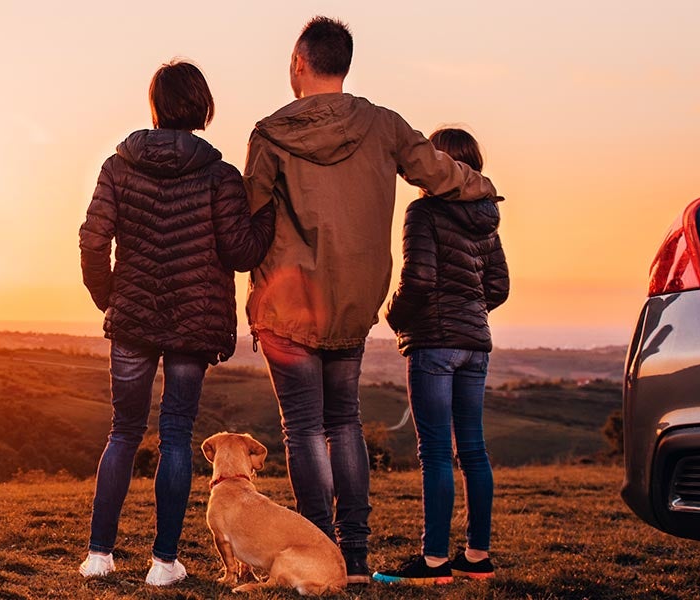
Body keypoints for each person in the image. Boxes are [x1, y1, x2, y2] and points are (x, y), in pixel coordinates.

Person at [242, 16, 497, 584]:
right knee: (344, 423)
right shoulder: (384, 126)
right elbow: (439, 173)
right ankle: (354, 559)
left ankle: (319, 550)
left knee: (304, 428)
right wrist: (484, 191)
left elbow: (247, 222)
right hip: (355, 303)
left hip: (288, 307)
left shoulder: (270, 134)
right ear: (346, 64)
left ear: (298, 63)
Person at [76, 59, 277, 586]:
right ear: (202, 107)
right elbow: (239, 251)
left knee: (123, 431)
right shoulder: (220, 175)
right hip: (193, 322)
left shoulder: (117, 167)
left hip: (133, 320)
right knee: (177, 436)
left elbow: (93, 240)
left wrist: (111, 298)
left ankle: (100, 556)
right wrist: (269, 213)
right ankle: (164, 564)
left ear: (156, 105)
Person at [374, 128, 508, 584]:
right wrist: (468, 313)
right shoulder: (486, 217)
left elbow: (420, 279)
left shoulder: (424, 212)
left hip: (433, 343)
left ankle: (433, 563)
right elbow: (498, 287)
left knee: (434, 452)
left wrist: (393, 315)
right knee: (473, 449)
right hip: (475, 343)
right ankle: (478, 557)